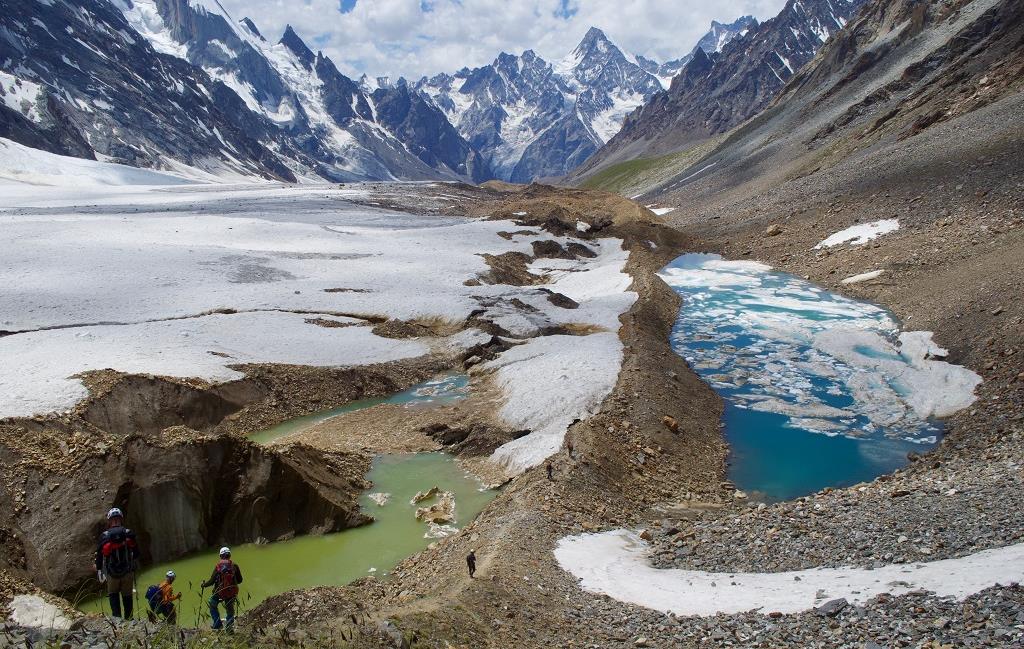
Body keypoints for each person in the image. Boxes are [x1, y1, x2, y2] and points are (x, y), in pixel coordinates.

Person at [94, 507, 140, 619]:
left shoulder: (104, 535)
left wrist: (99, 569)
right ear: (121, 519)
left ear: (110, 521)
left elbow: (99, 555)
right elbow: (137, 553)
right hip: (127, 572)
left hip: (112, 573)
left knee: (113, 596)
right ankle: (130, 620)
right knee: (127, 597)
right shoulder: (128, 533)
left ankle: (117, 620)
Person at [202, 547, 243, 631]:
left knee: (212, 604)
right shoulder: (234, 566)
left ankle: (217, 625)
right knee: (230, 610)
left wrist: (204, 585)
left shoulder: (218, 566)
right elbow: (240, 580)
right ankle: (229, 629)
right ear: (229, 555)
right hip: (231, 592)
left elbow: (211, 581)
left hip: (219, 592)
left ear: (220, 556)